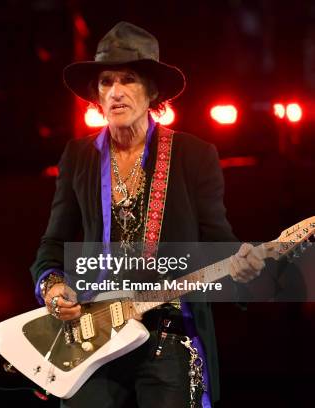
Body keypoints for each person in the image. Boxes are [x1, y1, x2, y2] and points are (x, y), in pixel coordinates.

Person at [30, 22, 264, 408]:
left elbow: (219, 242)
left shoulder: (194, 155)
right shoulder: (79, 156)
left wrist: (244, 266)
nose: (116, 92)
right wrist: (53, 287)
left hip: (167, 334)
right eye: (106, 81)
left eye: (128, 79)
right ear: (96, 95)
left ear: (152, 90)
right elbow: (52, 244)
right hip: (95, 334)